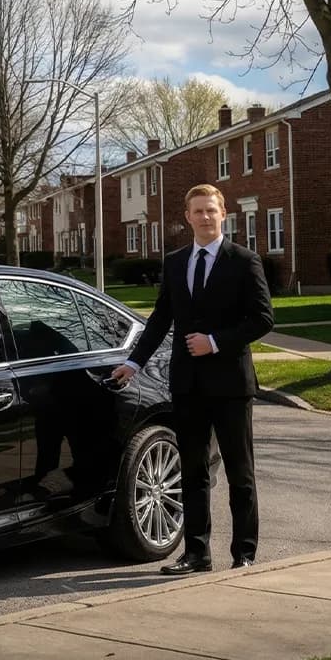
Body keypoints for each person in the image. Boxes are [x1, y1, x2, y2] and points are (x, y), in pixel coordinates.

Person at [110, 183, 274, 574]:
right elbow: (160, 319)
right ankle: (197, 553)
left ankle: (244, 553)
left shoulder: (244, 260)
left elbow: (263, 319)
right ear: (187, 217)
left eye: (211, 211)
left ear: (223, 214)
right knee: (193, 471)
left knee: (239, 472)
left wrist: (215, 342)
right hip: (187, 384)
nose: (204, 217)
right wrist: (133, 363)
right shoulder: (175, 262)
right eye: (197, 211)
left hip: (231, 385)